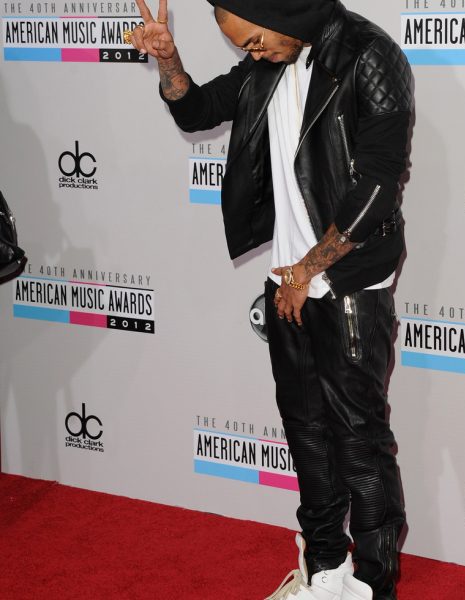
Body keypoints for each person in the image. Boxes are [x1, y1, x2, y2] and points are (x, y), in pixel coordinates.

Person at [129, 1, 412, 598]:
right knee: (306, 431)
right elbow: (198, 110)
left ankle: (373, 587)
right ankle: (326, 574)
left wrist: (309, 269)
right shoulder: (272, 61)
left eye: (254, 41)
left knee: (358, 441)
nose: (251, 53)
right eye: (244, 47)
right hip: (289, 282)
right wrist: (169, 61)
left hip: (348, 282)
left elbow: (380, 184)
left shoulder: (368, 55)